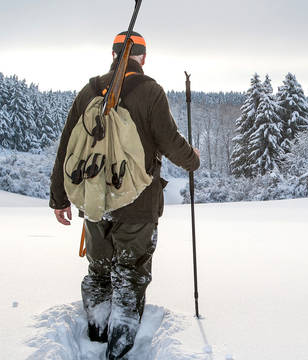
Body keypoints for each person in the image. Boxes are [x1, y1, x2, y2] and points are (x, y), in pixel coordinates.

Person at [48, 31, 200, 359]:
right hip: (138, 203)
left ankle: (96, 334)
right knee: (130, 272)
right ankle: (119, 349)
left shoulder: (88, 91)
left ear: (113, 53)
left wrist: (59, 198)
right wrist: (193, 159)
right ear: (142, 57)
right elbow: (169, 140)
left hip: (94, 201)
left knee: (99, 269)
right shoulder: (151, 92)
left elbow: (67, 149)